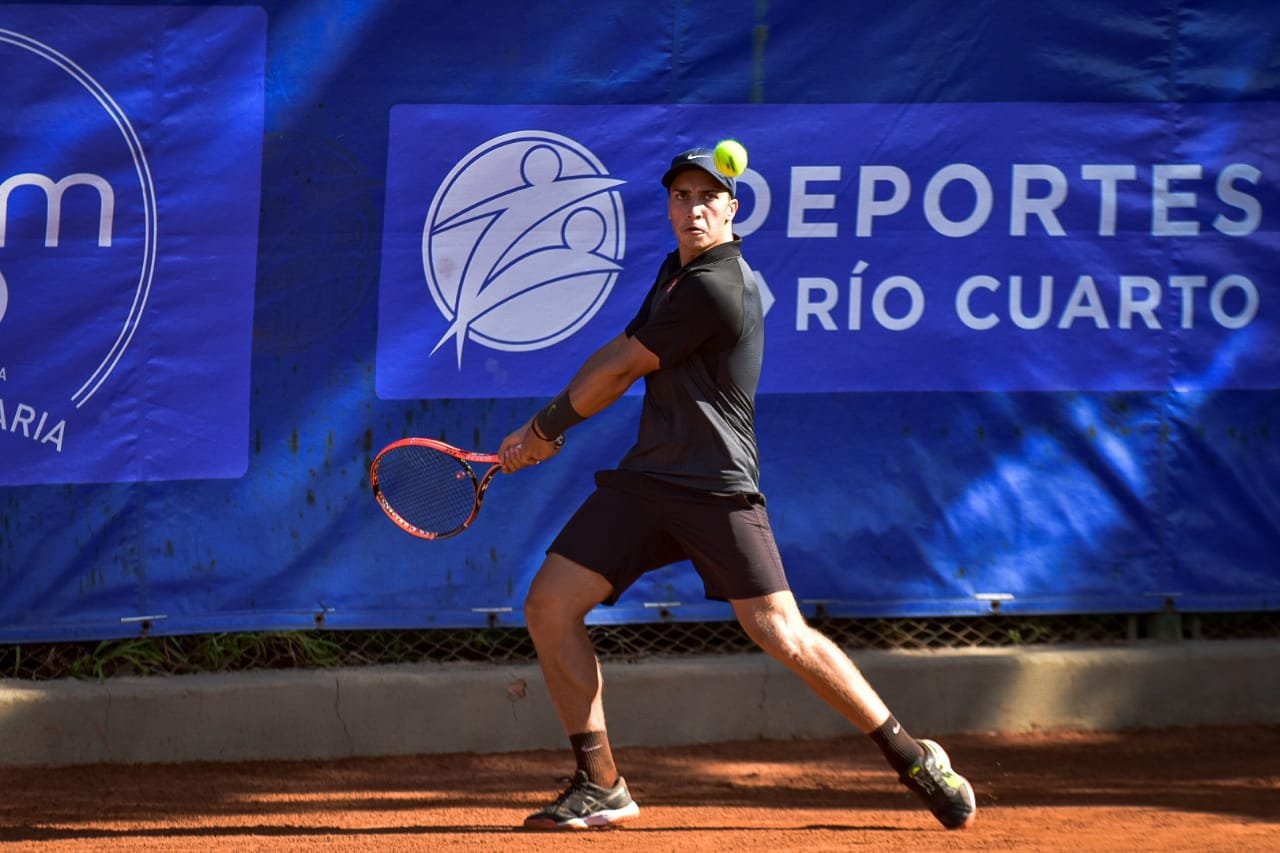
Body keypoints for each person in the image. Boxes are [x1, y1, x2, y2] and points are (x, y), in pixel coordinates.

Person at [498, 147, 977, 832]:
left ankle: (911, 754)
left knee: (779, 630)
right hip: (648, 479)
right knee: (550, 603)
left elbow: (626, 369)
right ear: (667, 207)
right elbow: (619, 347)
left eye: (706, 197)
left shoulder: (719, 285)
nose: (692, 208)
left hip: (715, 485)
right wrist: (540, 423)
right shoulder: (675, 272)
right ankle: (601, 782)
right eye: (680, 196)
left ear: (732, 207)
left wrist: (548, 427)